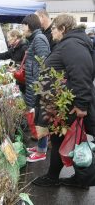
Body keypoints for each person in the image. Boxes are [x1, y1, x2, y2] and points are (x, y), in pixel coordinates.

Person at [33, 14, 95, 188]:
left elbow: (82, 75)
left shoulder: (72, 44)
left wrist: (81, 105)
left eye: (53, 28)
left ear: (63, 29)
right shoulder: (70, 43)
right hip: (62, 102)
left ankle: (54, 177)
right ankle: (80, 180)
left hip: (68, 104)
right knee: (69, 140)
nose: (51, 31)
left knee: (63, 139)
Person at [21, 14, 50, 162]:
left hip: (40, 87)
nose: (22, 29)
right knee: (39, 118)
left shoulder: (39, 39)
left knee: (41, 120)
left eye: (23, 26)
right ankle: (40, 147)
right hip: (36, 85)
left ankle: (41, 152)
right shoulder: (34, 39)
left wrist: (40, 88)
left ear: (30, 25)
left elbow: (45, 64)